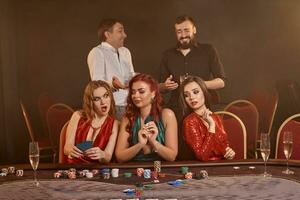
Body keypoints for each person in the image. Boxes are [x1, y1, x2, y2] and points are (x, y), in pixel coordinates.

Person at [159, 15, 226, 160]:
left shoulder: (208, 50)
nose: (183, 35)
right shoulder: (167, 55)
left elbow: (221, 81)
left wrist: (198, 84)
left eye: (186, 30)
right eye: (178, 31)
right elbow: (158, 87)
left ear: (194, 29)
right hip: (176, 111)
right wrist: (165, 86)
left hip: (202, 109)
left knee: (205, 150)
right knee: (180, 155)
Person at [115, 73, 178, 162]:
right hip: (134, 171)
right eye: (133, 92)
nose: (136, 96)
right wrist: (140, 144)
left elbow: (171, 156)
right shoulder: (128, 118)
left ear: (153, 93)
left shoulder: (167, 115)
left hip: (161, 170)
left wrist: (153, 142)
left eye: (141, 91)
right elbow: (120, 157)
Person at [87, 18, 135, 120]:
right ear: (107, 34)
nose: (125, 35)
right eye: (120, 31)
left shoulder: (126, 51)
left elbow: (131, 75)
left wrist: (138, 79)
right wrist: (113, 85)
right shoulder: (97, 52)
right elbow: (96, 86)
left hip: (132, 105)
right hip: (113, 108)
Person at [179, 76, 235, 161]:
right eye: (186, 95)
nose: (191, 97)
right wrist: (211, 127)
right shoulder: (189, 122)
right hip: (203, 169)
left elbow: (224, 148)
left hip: (221, 167)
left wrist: (229, 153)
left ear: (204, 92)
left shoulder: (216, 117)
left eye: (195, 92)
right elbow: (202, 156)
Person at [64, 80, 119, 163]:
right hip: (73, 167)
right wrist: (70, 150)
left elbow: (108, 156)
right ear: (90, 102)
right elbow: (67, 148)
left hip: (96, 171)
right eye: (97, 99)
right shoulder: (78, 116)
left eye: (106, 96)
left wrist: (102, 154)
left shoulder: (115, 124)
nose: (103, 102)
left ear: (110, 97)